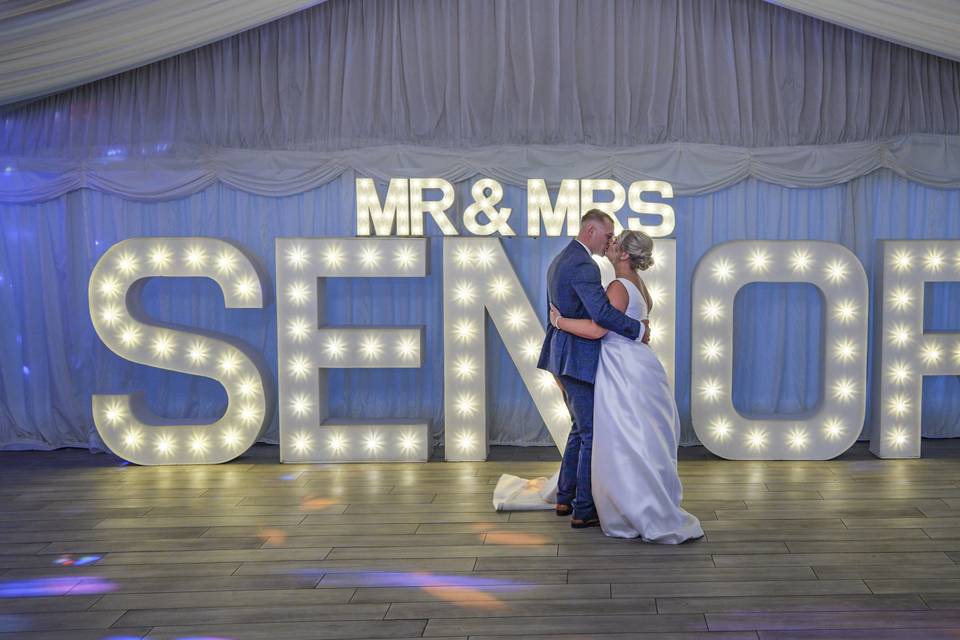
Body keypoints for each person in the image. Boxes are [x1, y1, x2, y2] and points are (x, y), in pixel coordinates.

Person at [549, 229, 703, 543]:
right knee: (638, 435)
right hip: (641, 363)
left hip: (623, 368)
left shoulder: (618, 287)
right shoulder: (640, 286)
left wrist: (559, 322)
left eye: (616, 241)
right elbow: (633, 323)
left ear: (623, 255)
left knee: (621, 436)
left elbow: (597, 329)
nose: (610, 243)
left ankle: (618, 502)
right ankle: (631, 495)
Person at [536, 210, 647, 528]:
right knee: (590, 433)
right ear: (590, 231)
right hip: (579, 358)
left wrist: (558, 329)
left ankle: (564, 497)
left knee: (578, 429)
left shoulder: (560, 259)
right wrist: (639, 330)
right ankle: (584, 510)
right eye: (607, 235)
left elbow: (562, 312)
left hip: (564, 357)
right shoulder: (583, 265)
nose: (610, 240)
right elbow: (600, 314)